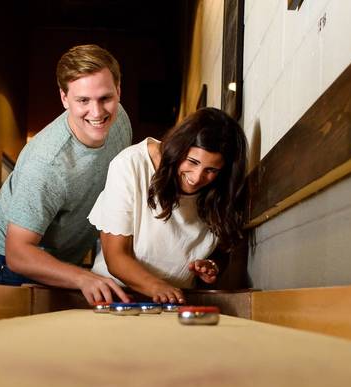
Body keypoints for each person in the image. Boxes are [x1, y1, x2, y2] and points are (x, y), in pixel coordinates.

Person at [0, 44, 132, 304]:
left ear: (118, 91)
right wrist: (83, 277)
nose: (97, 112)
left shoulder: (120, 119)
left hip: (58, 253)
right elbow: (18, 252)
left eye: (105, 98)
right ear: (64, 98)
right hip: (5, 255)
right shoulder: (46, 163)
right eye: (83, 100)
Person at [88, 107, 248, 304]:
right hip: (115, 296)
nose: (197, 177)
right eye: (192, 161)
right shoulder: (130, 164)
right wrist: (158, 287)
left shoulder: (222, 188)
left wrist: (212, 265)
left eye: (211, 170)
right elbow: (116, 258)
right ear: (179, 148)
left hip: (176, 301)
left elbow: (220, 249)